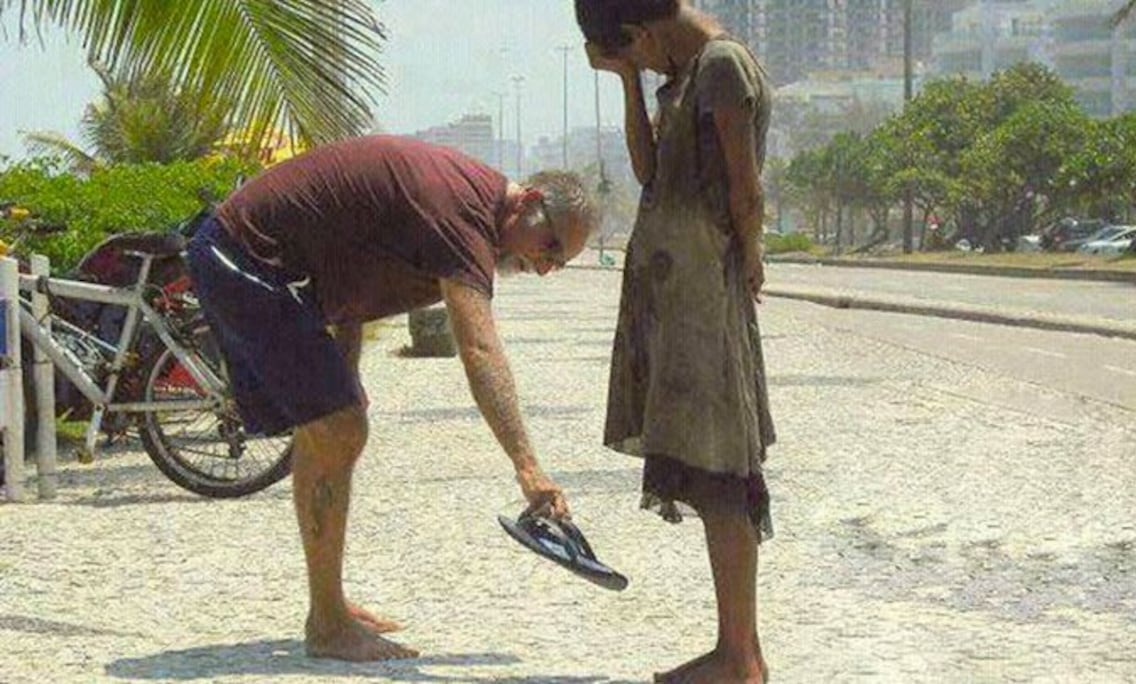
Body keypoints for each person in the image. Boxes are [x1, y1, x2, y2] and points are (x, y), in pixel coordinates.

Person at [186, 135, 599, 662]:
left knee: (334, 426)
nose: (544, 267)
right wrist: (528, 467)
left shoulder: (468, 207)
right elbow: (478, 347)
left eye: (558, 264)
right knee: (337, 429)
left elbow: (351, 278)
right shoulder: (463, 216)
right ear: (529, 202)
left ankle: (327, 606)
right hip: (241, 255)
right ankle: (327, 625)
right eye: (551, 246)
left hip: (259, 261)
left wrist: (346, 376)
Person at [581, 1, 776, 682]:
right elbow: (650, 171)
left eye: (632, 53)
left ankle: (739, 657)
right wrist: (628, 81)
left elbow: (745, 187)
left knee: (722, 473)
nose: (639, 64)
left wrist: (751, 254)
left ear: (641, 32)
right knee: (705, 468)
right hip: (682, 302)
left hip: (705, 301)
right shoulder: (687, 76)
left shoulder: (721, 66)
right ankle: (737, 650)